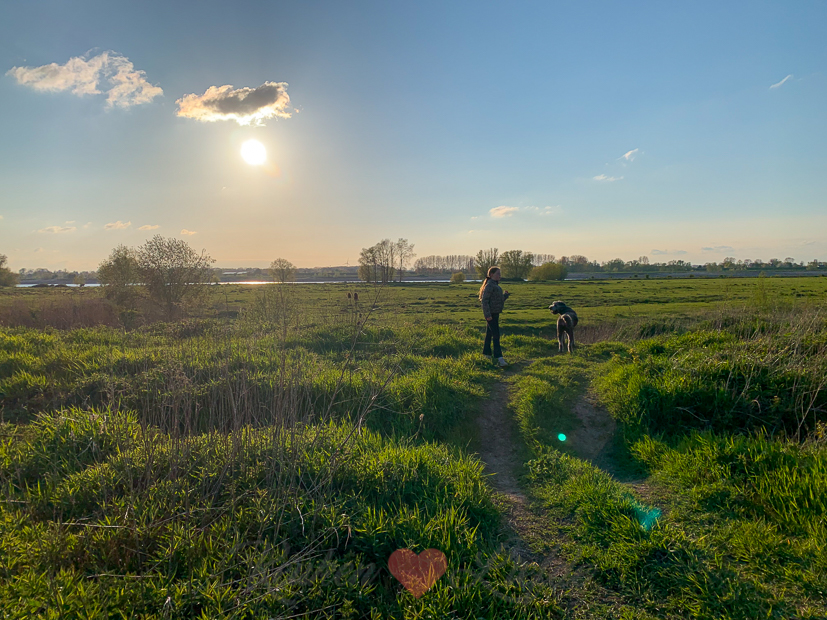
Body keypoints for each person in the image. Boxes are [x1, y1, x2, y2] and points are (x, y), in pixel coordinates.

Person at [479, 266, 510, 366]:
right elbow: (485, 301)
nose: (499, 276)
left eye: (500, 274)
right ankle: (499, 358)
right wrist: (487, 315)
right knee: (496, 335)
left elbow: (497, 300)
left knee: (489, 334)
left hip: (495, 313)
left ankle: (486, 354)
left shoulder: (495, 285)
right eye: (498, 274)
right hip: (491, 314)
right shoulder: (490, 286)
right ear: (491, 275)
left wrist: (505, 296)